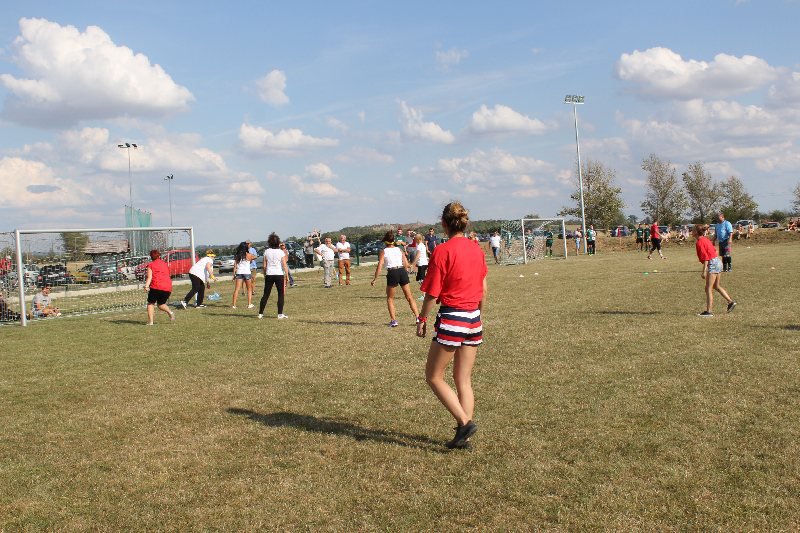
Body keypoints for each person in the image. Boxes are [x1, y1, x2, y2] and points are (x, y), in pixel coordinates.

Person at [417, 201, 488, 450]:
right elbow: (484, 289)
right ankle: (462, 438)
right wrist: (477, 316)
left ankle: (464, 423)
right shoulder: (476, 250)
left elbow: (432, 293)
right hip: (473, 318)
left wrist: (422, 319)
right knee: (463, 380)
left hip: (453, 317)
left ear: (443, 224)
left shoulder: (442, 251)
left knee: (434, 376)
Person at [370, 230, 419, 327]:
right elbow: (406, 264)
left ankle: (393, 321)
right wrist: (412, 265)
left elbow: (380, 265)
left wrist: (375, 279)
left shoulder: (384, 251)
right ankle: (418, 317)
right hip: (402, 271)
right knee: (409, 297)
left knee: (390, 298)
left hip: (392, 272)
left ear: (385, 241)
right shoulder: (399, 250)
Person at [694, 224, 736, 317]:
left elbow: (706, 258)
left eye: (693, 230)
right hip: (717, 261)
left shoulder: (699, 242)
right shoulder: (705, 239)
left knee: (708, 288)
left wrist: (704, 271)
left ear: (696, 232)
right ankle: (730, 302)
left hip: (712, 263)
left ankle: (709, 312)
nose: (691, 231)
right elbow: (714, 251)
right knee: (716, 286)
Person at [258, 233, 289, 320]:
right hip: (279, 274)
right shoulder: (280, 252)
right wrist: (287, 276)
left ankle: (260, 313)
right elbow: (284, 265)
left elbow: (264, 266)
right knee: (281, 294)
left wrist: (265, 274)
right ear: (278, 242)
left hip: (269, 274)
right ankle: (280, 314)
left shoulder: (266, 252)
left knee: (266, 294)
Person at [144, 250, 175, 325]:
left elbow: (149, 277)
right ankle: (170, 312)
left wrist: (146, 286)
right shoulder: (165, 264)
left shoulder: (151, 265)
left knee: (150, 303)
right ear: (159, 256)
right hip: (167, 286)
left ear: (151, 257)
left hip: (156, 286)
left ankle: (151, 322)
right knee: (161, 304)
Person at [232, 242, 256, 309]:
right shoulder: (249, 255)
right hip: (247, 273)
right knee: (249, 289)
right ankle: (249, 304)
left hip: (239, 273)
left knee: (237, 289)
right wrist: (251, 259)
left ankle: (234, 305)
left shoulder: (237, 255)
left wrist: (233, 274)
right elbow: (255, 257)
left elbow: (235, 266)